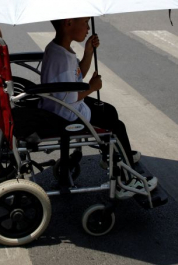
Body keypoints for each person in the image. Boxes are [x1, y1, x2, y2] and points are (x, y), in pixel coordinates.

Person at [41, 17, 157, 198]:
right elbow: (72, 96)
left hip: (63, 108)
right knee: (116, 127)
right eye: (85, 22)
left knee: (109, 111)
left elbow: (76, 77)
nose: (88, 27)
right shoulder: (62, 58)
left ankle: (114, 155)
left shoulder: (59, 49)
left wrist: (88, 53)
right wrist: (91, 88)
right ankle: (127, 179)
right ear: (68, 23)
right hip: (67, 114)